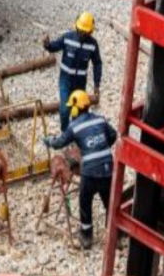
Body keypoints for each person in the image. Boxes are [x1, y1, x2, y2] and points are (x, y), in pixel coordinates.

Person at [44, 90, 117, 249]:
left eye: (72, 108)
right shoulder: (100, 120)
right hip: (107, 169)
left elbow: (60, 142)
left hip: (90, 172)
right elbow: (113, 135)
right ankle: (113, 234)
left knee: (85, 200)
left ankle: (86, 237)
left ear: (76, 109)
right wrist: (101, 149)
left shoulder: (74, 127)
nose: (71, 110)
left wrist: (49, 141)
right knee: (109, 201)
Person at [43, 12, 103, 131]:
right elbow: (55, 46)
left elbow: (97, 63)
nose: (82, 34)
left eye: (85, 32)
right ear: (76, 27)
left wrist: (96, 84)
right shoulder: (67, 38)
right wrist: (47, 45)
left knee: (79, 110)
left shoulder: (93, 45)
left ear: (90, 32)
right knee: (65, 109)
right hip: (65, 79)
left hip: (80, 82)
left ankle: (76, 132)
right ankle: (65, 133)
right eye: (81, 31)